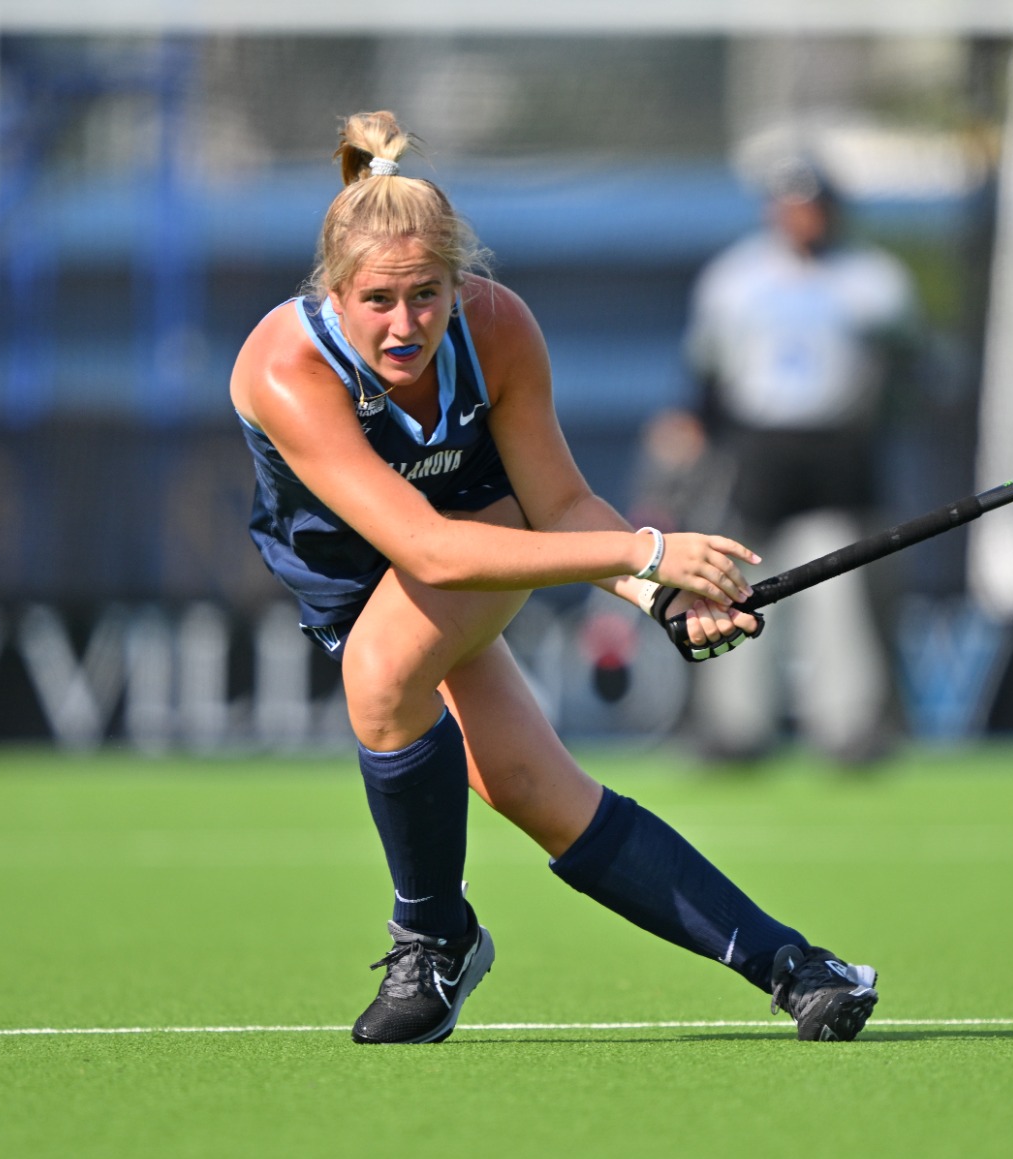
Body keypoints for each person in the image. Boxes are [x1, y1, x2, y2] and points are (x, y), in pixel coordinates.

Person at [229, 112, 878, 1045]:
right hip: (377, 567)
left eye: (426, 295)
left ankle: (432, 938)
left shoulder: (494, 329)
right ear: (334, 291)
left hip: (490, 530)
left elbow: (562, 504)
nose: (405, 325)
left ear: (460, 282)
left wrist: (660, 592)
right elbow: (425, 551)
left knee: (380, 674)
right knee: (531, 784)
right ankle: (799, 968)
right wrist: (647, 557)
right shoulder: (287, 367)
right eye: (378, 300)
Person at [680, 155, 917, 764]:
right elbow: (707, 374)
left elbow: (905, 368)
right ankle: (736, 728)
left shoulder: (873, 280)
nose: (804, 219)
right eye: (792, 206)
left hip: (838, 449)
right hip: (759, 445)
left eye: (814, 206)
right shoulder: (734, 280)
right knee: (740, 586)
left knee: (841, 589)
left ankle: (848, 727)